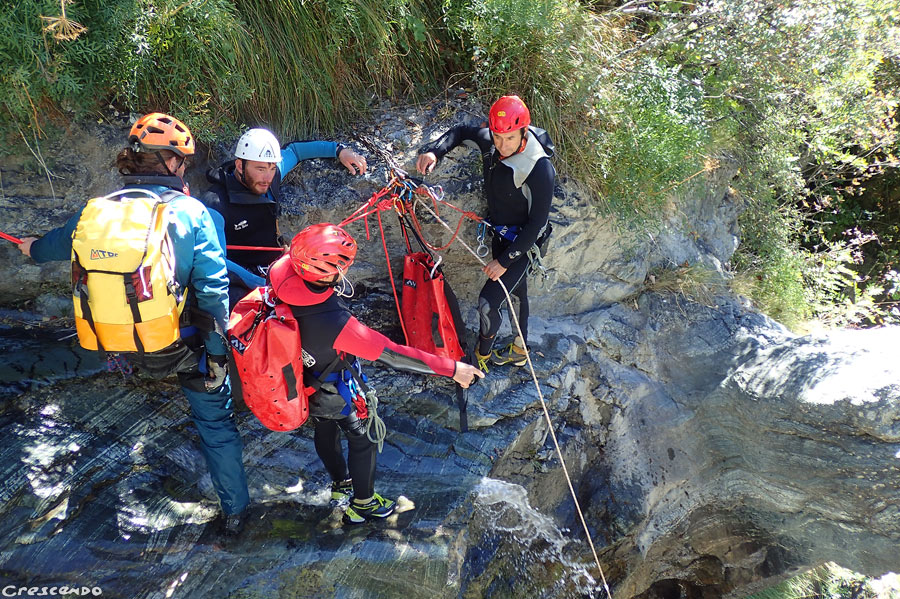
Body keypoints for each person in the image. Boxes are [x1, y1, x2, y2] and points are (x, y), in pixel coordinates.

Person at [16, 113, 250, 535]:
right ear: (174, 164)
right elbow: (214, 293)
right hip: (182, 346)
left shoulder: (96, 211)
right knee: (216, 426)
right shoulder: (193, 213)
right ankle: (235, 516)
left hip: (116, 344)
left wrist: (31, 249)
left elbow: (50, 246)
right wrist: (218, 359)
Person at [268, 223, 483, 524]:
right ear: (325, 272)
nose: (343, 272)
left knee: (324, 427)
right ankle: (363, 504)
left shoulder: (281, 274)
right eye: (340, 267)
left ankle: (341, 483)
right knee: (362, 438)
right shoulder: (334, 322)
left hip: (304, 380)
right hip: (335, 387)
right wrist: (453, 368)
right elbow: (393, 354)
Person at [416, 95, 555, 372]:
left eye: (510, 139)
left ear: (524, 132)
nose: (502, 146)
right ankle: (520, 349)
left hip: (525, 244)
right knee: (517, 292)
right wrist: (434, 151)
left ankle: (482, 355)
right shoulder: (493, 140)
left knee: (488, 302)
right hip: (501, 232)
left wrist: (504, 262)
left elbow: (538, 223)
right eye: (498, 137)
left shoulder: (539, 168)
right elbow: (460, 132)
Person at [201, 128, 368, 304]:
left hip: (275, 268)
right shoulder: (215, 204)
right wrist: (264, 283)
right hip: (243, 281)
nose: (267, 177)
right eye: (260, 169)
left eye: (272, 168)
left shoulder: (268, 178)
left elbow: (295, 151)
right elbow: (217, 260)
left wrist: (339, 150)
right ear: (240, 166)